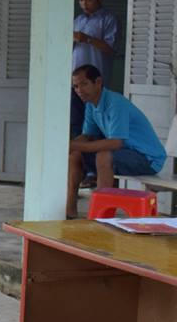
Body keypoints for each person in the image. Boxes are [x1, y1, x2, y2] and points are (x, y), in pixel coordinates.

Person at [66, 64, 165, 218]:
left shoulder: (115, 103)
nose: (79, 90)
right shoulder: (91, 105)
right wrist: (66, 145)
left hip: (147, 159)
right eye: (76, 86)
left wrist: (74, 145)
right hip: (124, 155)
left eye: (84, 84)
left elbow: (116, 143)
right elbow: (87, 135)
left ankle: (98, 215)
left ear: (98, 82)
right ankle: (69, 210)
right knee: (75, 155)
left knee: (103, 155)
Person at [70, 0, 117, 138]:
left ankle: (93, 159)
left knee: (96, 124)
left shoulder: (108, 19)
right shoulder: (78, 20)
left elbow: (110, 48)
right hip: (76, 81)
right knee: (76, 122)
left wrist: (87, 39)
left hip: (95, 81)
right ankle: (77, 158)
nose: (84, 4)